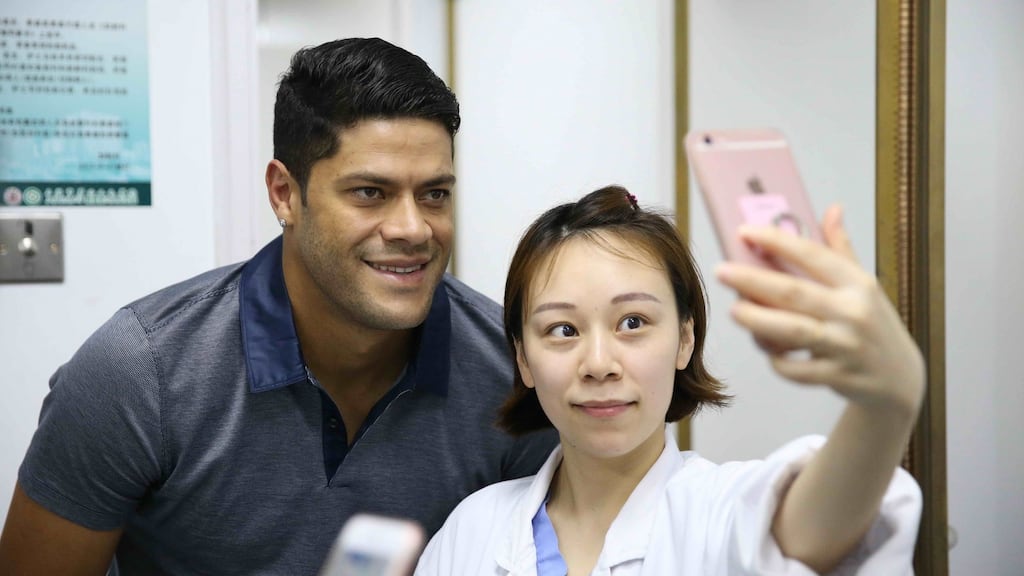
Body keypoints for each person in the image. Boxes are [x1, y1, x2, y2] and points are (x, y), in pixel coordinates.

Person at [0, 38, 557, 575]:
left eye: (434, 193)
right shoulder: (139, 373)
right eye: (370, 192)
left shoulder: (513, 371)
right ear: (284, 194)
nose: (413, 229)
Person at [415, 186, 924, 575]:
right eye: (562, 330)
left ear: (685, 339)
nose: (598, 363)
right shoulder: (472, 531)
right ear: (523, 360)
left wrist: (888, 400)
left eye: (632, 322)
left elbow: (809, 535)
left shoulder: (722, 513)